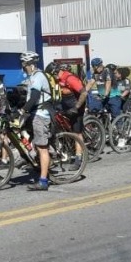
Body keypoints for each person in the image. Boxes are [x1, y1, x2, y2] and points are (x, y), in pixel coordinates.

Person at [19, 51, 53, 191]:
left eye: (24, 64)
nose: (23, 67)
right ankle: (35, 163)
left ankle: (43, 181)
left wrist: (23, 110)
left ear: (30, 64)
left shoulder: (38, 76)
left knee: (42, 148)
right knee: (28, 138)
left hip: (41, 114)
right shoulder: (31, 77)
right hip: (34, 113)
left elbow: (34, 97)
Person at [57, 63, 87, 168]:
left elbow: (84, 93)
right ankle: (67, 149)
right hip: (65, 104)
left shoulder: (70, 78)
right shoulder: (58, 79)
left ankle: (78, 158)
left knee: (76, 132)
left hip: (76, 105)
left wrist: (76, 107)